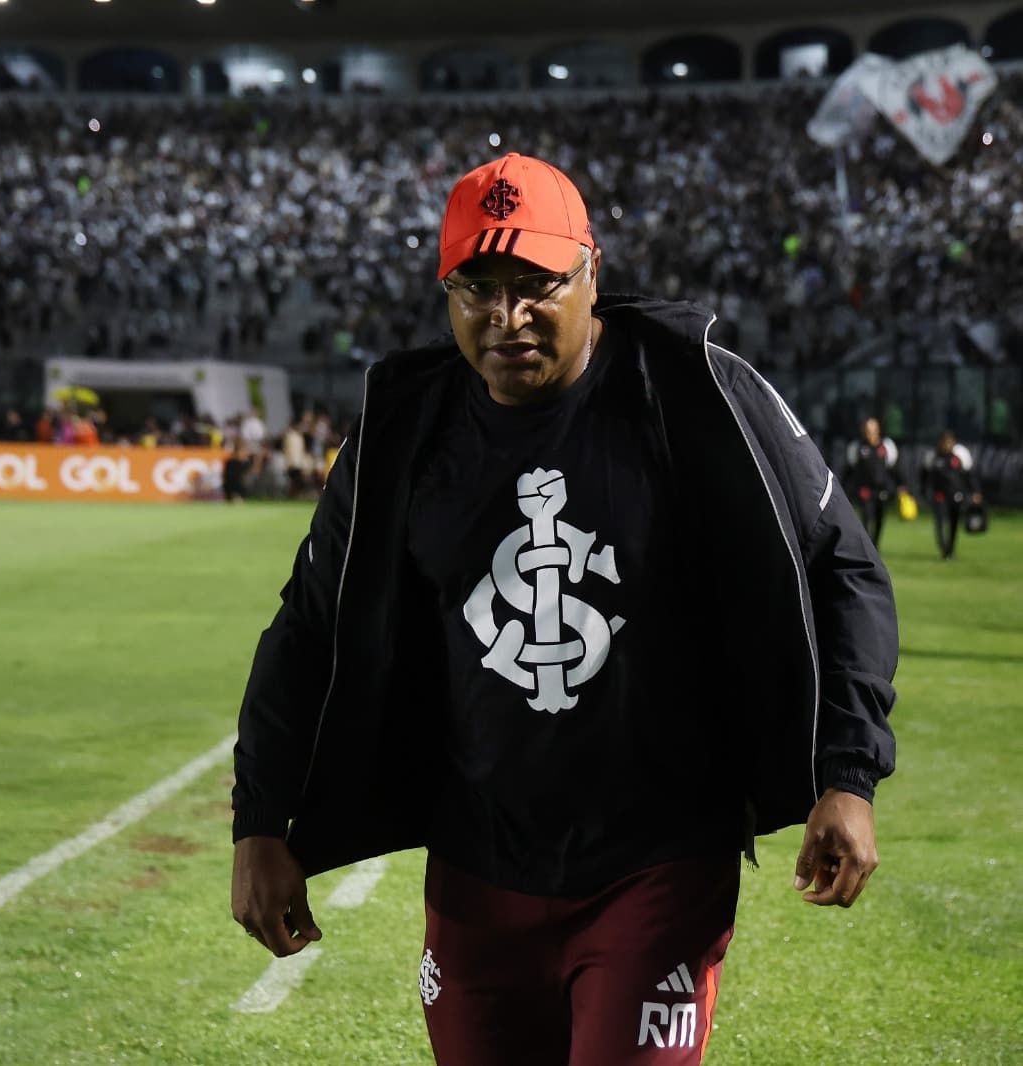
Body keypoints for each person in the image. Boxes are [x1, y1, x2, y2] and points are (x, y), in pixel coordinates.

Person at [231, 153, 898, 1065]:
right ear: (447, 294)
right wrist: (261, 822)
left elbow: (843, 567)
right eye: (477, 288)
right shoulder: (402, 430)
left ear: (592, 274)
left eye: (536, 283)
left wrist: (848, 774)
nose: (507, 317)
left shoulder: (694, 390)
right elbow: (306, 625)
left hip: (658, 859)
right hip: (476, 870)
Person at [923, 429, 983, 560]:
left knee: (954, 523)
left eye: (948, 442)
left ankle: (950, 549)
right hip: (939, 496)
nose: (946, 445)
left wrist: (975, 492)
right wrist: (926, 492)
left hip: (956, 496)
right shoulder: (933, 456)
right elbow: (924, 476)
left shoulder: (959, 456)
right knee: (940, 523)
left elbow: (969, 476)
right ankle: (944, 548)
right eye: (943, 442)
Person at [843, 416, 902, 547]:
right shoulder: (856, 447)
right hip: (864, 489)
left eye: (872, 429)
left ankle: (875, 545)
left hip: (881, 489)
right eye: (866, 429)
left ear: (877, 429)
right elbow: (849, 470)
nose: (869, 432)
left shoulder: (887, 446)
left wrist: (900, 485)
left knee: (879, 519)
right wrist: (843, 487)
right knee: (866, 518)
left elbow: (893, 468)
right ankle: (867, 546)